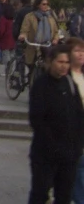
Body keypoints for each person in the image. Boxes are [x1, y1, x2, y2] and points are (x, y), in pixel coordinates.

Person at [28, 44, 84, 204]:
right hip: (45, 154)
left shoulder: (69, 83)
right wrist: (54, 146)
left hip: (69, 154)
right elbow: (37, 120)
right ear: (50, 61)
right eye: (60, 62)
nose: (64, 66)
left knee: (64, 195)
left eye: (66, 62)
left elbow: (79, 114)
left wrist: (77, 145)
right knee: (40, 194)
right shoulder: (41, 85)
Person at [18, 0, 59, 74]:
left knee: (47, 68)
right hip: (33, 46)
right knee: (31, 68)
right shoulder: (30, 17)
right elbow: (25, 30)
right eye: (43, 4)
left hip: (47, 46)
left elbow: (56, 31)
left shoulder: (50, 17)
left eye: (47, 4)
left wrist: (55, 39)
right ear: (38, 5)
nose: (46, 6)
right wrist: (23, 35)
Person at [68, 38, 84, 204]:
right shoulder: (65, 78)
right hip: (71, 133)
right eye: (77, 51)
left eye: (83, 51)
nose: (81, 55)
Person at [0, 2, 15, 75]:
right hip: (13, 40)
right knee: (12, 57)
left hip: (5, 41)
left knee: (6, 58)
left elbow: (1, 30)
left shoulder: (3, 19)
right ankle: (11, 71)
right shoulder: (14, 19)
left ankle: (7, 72)